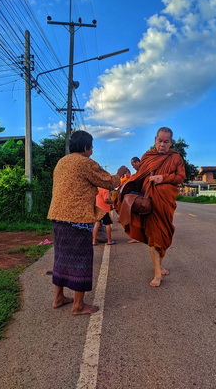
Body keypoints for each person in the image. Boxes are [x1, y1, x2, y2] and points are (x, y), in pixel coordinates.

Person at [47, 130, 127, 315]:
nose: (92, 150)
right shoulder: (85, 163)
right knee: (81, 259)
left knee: (61, 258)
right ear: (86, 147)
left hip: (57, 216)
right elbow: (108, 181)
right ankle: (78, 305)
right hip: (77, 218)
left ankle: (58, 298)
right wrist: (120, 173)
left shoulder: (61, 162)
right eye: (91, 146)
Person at [119, 127, 186, 287]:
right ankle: (157, 273)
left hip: (166, 203)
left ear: (171, 142)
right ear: (155, 140)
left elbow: (180, 177)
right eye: (160, 141)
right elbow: (139, 176)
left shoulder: (176, 158)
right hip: (150, 204)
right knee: (153, 235)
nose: (162, 144)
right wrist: (122, 185)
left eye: (166, 141)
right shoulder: (147, 157)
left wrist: (162, 178)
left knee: (164, 234)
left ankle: (160, 265)